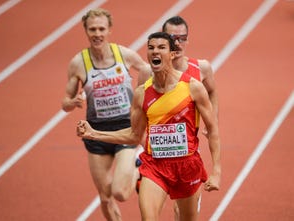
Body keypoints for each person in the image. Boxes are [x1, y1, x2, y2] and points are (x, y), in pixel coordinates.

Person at [76, 32, 221, 221]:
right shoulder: (142, 94)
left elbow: (213, 129)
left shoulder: (192, 88)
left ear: (172, 54)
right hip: (155, 166)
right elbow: (134, 135)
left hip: (187, 165)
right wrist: (94, 133)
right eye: (151, 48)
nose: (155, 51)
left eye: (161, 48)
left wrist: (216, 171)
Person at [61, 8, 151, 221]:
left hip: (126, 129)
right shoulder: (78, 63)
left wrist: (143, 99)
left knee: (119, 192)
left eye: (101, 28)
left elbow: (148, 72)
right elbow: (64, 102)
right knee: (105, 197)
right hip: (95, 133)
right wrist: (72, 102)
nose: (97, 33)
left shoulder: (124, 55)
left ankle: (138, 168)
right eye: (92, 29)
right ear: (86, 30)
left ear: (109, 30)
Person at [162, 16, 219, 220]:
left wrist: (212, 117)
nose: (178, 43)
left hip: (187, 150)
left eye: (182, 38)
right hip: (159, 155)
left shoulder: (201, 68)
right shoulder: (151, 72)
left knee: (181, 212)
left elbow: (212, 92)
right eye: (172, 38)